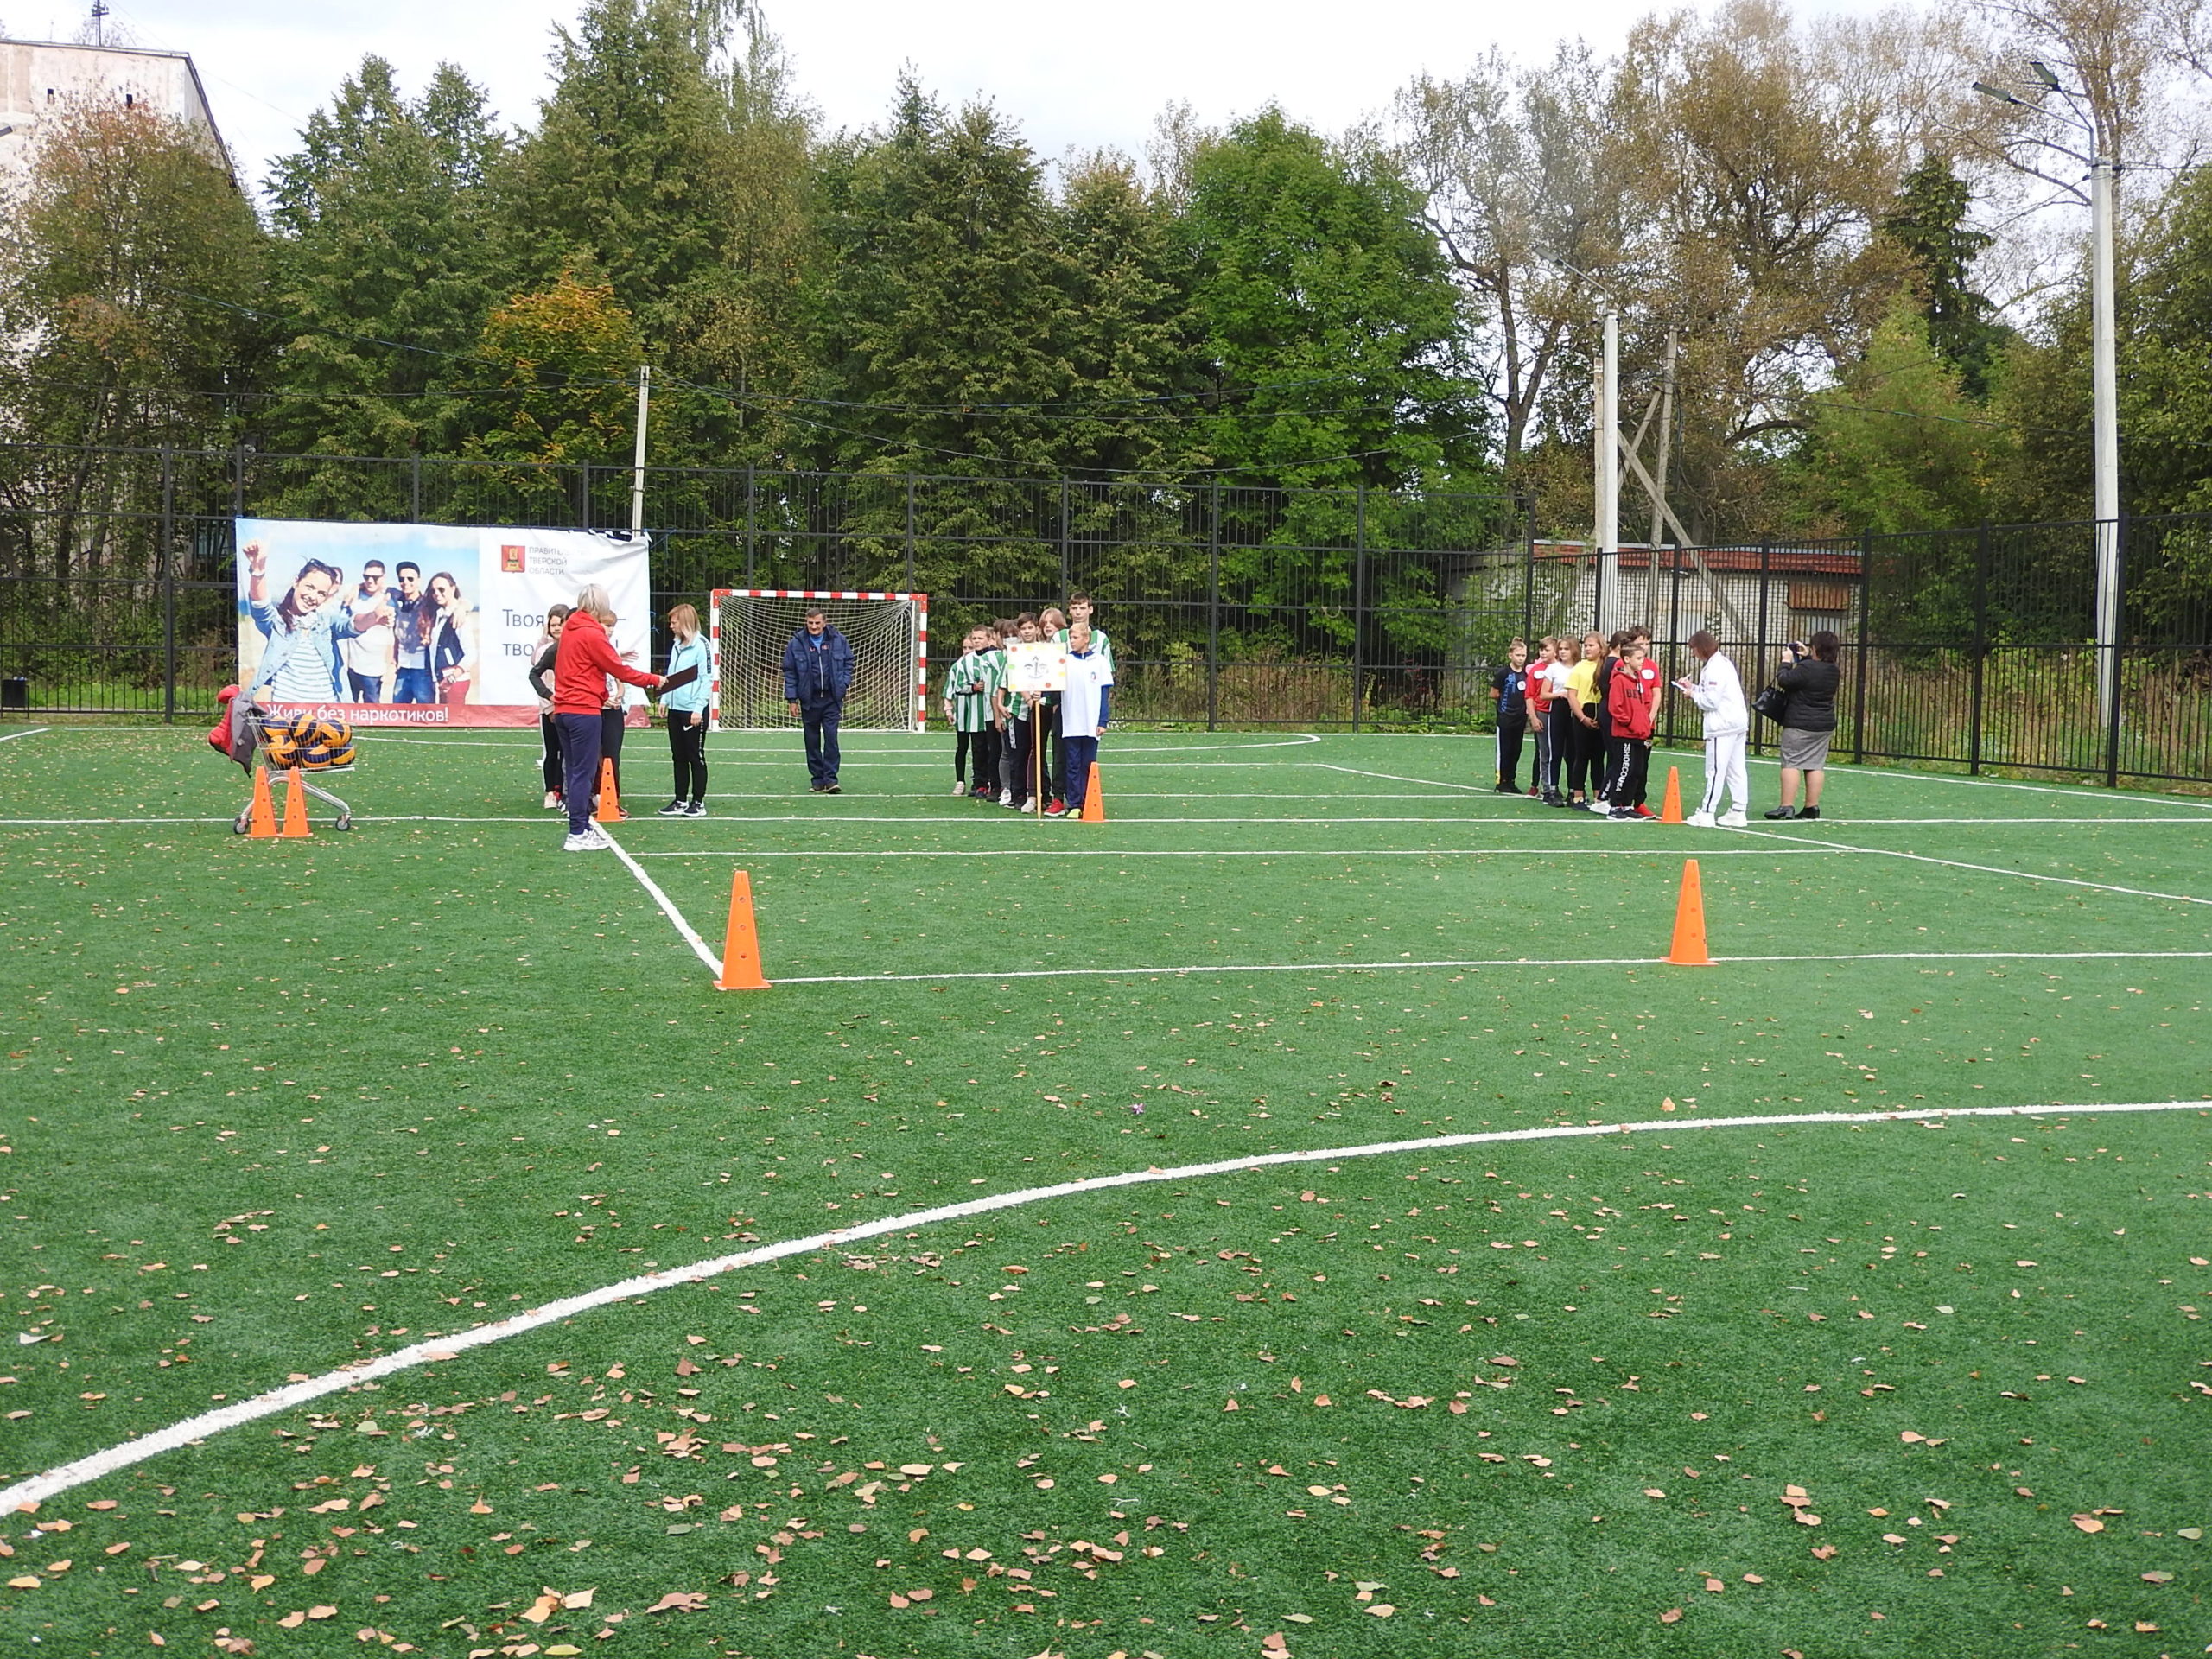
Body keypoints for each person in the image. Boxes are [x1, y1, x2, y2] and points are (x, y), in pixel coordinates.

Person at [553, 584, 662, 851]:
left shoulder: (570, 628)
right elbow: (618, 669)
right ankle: (577, 832)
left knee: (576, 770)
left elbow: (580, 668)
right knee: (583, 774)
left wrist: (601, 692)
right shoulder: (592, 633)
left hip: (564, 709)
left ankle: (582, 827)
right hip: (583, 712)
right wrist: (654, 680)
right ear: (600, 607)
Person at [243, 541, 388, 706]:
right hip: (287, 716)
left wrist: (373, 616)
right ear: (296, 582)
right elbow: (260, 604)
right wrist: (258, 569)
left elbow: (352, 625)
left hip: (328, 715)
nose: (313, 596)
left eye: (321, 593)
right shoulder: (277, 622)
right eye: (309, 587)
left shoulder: (325, 622)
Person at [1673, 628, 1750, 827]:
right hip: (1736, 722)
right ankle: (1739, 810)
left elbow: (1711, 701)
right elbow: (1713, 693)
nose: (1693, 653)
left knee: (1715, 770)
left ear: (1701, 648)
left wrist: (1692, 695)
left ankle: (1707, 812)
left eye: (1694, 649)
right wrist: (1693, 688)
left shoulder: (1715, 667)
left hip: (1722, 725)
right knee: (1736, 769)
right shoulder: (1722, 663)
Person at [1767, 629, 1843, 820]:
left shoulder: (1807, 669)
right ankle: (1811, 807)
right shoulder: (1834, 670)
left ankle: (1787, 807)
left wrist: (1786, 662)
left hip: (1800, 723)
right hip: (1823, 724)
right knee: (1815, 765)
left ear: (1816, 648)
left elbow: (1785, 680)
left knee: (1791, 762)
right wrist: (1806, 657)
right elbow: (1812, 673)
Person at [782, 607, 854, 794]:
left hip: (832, 698)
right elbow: (789, 672)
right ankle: (817, 780)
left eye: (817, 623)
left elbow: (849, 662)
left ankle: (831, 780)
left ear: (824, 623)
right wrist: (792, 699)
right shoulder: (796, 643)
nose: (814, 627)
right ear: (806, 623)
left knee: (831, 738)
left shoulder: (839, 640)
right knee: (811, 740)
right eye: (810, 623)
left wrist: (844, 683)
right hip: (809, 700)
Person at [1048, 621, 1113, 818]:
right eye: (1070, 638)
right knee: (1072, 764)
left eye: (1075, 638)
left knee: (1088, 763)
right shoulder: (1065, 661)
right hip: (1071, 722)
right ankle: (1074, 803)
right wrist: (1039, 692)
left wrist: (1102, 721)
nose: (1072, 641)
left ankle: (1088, 800)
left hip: (1091, 723)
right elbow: (1052, 686)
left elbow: (1104, 692)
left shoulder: (1100, 662)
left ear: (1086, 639)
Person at [658, 603, 711, 817]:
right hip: (676, 708)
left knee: (695, 756)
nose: (671, 626)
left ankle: (698, 801)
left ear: (685, 621)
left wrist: (698, 708)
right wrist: (664, 698)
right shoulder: (677, 645)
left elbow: (706, 679)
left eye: (674, 622)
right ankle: (680, 799)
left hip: (692, 711)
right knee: (678, 756)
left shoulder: (702, 645)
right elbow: (673, 673)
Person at [994, 614, 1044, 812]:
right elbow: (1004, 684)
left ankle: (1040, 793)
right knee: (1019, 753)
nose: (1027, 632)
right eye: (1024, 629)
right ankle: (1018, 793)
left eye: (1031, 628)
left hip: (1042, 707)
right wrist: (1000, 705)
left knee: (1037, 752)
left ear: (1037, 629)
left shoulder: (1045, 651)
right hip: (1019, 710)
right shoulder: (1014, 655)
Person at [1603, 639, 1656, 821]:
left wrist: (1643, 725)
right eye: (1638, 658)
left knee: (1637, 770)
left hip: (1638, 734)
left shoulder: (1638, 680)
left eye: (1643, 658)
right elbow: (1615, 708)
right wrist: (1630, 723)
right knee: (1624, 769)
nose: (1642, 661)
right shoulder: (1620, 680)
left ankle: (1626, 804)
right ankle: (1615, 805)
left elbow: (1643, 705)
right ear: (1626, 659)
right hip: (1624, 734)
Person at [528, 605, 569, 810]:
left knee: (567, 753)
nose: (556, 628)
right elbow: (539, 678)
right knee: (551, 752)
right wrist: (549, 707)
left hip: (569, 709)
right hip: (550, 709)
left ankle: (563, 790)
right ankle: (550, 792)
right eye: (552, 625)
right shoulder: (545, 650)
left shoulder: (573, 647)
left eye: (560, 624)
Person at [945, 627, 995, 798]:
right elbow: (955, 686)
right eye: (974, 638)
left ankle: (993, 784)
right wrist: (973, 687)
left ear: (989, 639)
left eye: (980, 638)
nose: (977, 641)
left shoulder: (996, 657)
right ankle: (977, 783)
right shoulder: (963, 663)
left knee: (989, 748)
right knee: (973, 747)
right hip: (969, 714)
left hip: (991, 711)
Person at [340, 559, 396, 702]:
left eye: (375, 577)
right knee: (349, 709)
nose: (370, 581)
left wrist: (390, 666)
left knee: (371, 711)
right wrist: (356, 587)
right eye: (366, 577)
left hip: (374, 669)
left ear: (383, 578)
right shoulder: (354, 595)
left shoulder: (390, 599)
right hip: (352, 667)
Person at [1564, 632, 1604, 810]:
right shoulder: (1579, 667)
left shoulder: (1605, 666)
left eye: (1592, 645)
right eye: (1586, 645)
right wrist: (1582, 717)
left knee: (1598, 757)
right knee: (1581, 756)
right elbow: (1571, 695)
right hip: (1582, 713)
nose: (1588, 649)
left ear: (1601, 647)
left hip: (1600, 713)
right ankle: (1578, 796)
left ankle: (1599, 798)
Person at [388, 563, 435, 704]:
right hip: (402, 668)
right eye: (402, 579)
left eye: (410, 579)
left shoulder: (429, 603)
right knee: (398, 714)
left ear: (419, 580)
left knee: (427, 715)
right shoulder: (396, 601)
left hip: (423, 670)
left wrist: (462, 607)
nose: (405, 583)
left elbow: (456, 602)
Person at [429, 571, 477, 707]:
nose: (437, 594)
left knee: (454, 721)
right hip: (443, 679)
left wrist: (451, 678)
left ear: (453, 588)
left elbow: (471, 654)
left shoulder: (460, 617)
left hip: (455, 680)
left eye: (441, 589)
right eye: (433, 591)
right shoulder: (439, 614)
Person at [1539, 637, 1577, 806]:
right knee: (1556, 752)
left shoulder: (1580, 668)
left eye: (1566, 649)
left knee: (1573, 753)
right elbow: (1543, 694)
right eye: (1560, 649)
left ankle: (1573, 790)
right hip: (1559, 709)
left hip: (1575, 709)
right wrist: (1560, 694)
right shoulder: (1553, 668)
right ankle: (1553, 789)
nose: (1562, 652)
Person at [1490, 639, 1529, 794]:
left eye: (1523, 655)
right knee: (1504, 750)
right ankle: (1501, 781)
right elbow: (1494, 693)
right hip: (1506, 717)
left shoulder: (1526, 674)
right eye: (1518, 655)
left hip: (1520, 718)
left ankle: (1511, 779)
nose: (1520, 658)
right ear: (1510, 655)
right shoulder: (1503, 673)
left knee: (1516, 749)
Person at [1525, 638, 1557, 802]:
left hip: (1559, 715)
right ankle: (1546, 788)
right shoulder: (1536, 670)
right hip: (1542, 713)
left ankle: (1565, 788)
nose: (1543, 653)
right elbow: (1529, 696)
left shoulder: (1562, 668)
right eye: (1541, 649)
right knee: (1544, 753)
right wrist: (1534, 717)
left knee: (1562, 753)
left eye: (1547, 649)